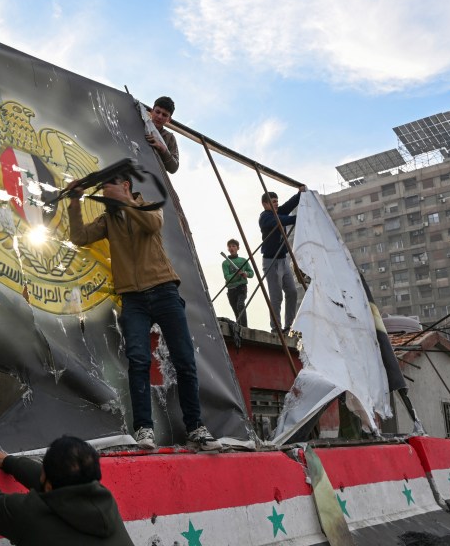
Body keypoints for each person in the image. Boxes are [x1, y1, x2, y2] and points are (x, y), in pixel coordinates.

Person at [68, 173, 221, 451]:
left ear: (125, 186)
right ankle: (144, 430)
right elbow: (78, 236)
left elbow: (151, 225)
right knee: (138, 362)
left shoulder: (148, 207)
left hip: (164, 290)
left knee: (184, 360)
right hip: (132, 298)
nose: (104, 193)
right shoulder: (108, 220)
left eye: (108, 187)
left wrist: (125, 203)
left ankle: (196, 427)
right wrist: (75, 202)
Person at [0, 436, 134, 545]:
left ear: (49, 485)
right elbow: (57, 486)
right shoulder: (104, 502)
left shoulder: (31, 514)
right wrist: (10, 462)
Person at [259, 186, 307, 334]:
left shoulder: (278, 212)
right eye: (273, 202)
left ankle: (288, 326)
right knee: (276, 296)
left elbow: (288, 205)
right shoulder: (265, 217)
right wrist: (297, 218)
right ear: (265, 204)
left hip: (283, 260)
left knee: (292, 292)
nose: (276, 204)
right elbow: (282, 220)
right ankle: (276, 328)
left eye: (276, 202)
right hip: (271, 261)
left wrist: (300, 194)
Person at [222, 238, 254, 327]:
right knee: (236, 310)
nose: (231, 248)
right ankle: (239, 327)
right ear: (228, 249)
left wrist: (245, 274)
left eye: (233, 246)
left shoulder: (243, 261)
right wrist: (236, 274)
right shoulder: (225, 263)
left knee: (240, 305)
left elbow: (251, 273)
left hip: (241, 287)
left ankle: (244, 327)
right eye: (230, 246)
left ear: (238, 248)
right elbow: (227, 277)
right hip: (231, 289)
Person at [144, 96, 180, 174]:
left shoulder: (170, 138)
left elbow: (174, 168)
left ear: (169, 119)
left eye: (164, 115)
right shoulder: (138, 123)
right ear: (151, 111)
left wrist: (163, 148)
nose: (160, 116)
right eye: (157, 112)